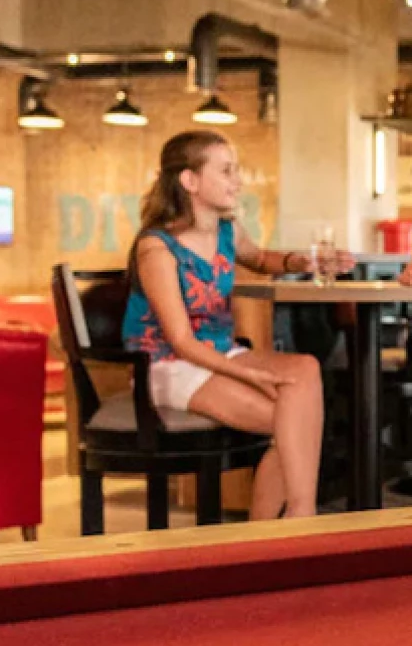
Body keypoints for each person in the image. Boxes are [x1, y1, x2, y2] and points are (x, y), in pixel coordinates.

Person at [121, 130, 350, 519]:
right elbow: (179, 341)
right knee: (293, 420)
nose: (237, 181)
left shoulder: (227, 231)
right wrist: (252, 376)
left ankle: (280, 525)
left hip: (218, 353)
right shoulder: (157, 247)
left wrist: (300, 262)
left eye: (236, 171)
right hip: (165, 365)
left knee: (306, 369)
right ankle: (292, 522)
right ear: (189, 181)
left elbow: (260, 258)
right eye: (226, 171)